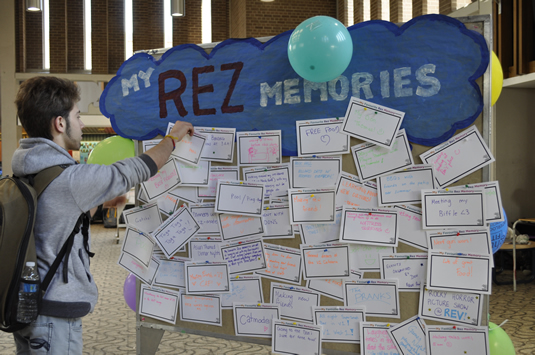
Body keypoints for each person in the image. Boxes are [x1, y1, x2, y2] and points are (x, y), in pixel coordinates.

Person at [11, 76, 193, 354]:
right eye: (78, 115)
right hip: (54, 314)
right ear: (60, 123)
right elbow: (132, 170)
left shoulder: (29, 167)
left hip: (27, 306)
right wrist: (172, 139)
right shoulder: (69, 177)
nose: (82, 124)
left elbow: (54, 215)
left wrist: (100, 202)